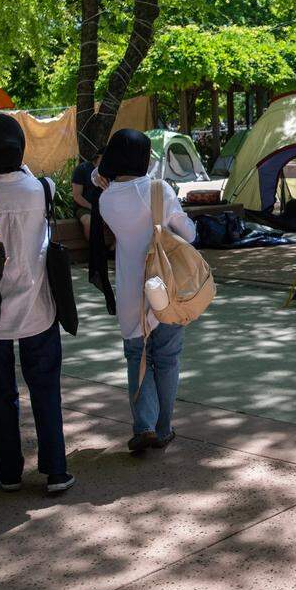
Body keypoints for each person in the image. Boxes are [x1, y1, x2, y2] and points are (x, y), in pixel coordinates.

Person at [0, 113, 74, 495]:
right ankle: (56, 471)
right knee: (46, 390)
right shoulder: (41, 189)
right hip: (39, 307)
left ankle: (9, 473)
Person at [89, 129, 197, 453]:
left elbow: (100, 176)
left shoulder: (107, 199)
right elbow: (187, 234)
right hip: (165, 288)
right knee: (166, 358)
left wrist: (99, 174)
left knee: (137, 357)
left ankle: (143, 425)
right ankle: (163, 428)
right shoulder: (158, 190)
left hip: (130, 291)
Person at [72, 147, 104, 238]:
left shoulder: (109, 171)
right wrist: (93, 207)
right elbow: (77, 196)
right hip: (84, 208)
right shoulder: (82, 169)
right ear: (98, 157)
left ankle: (112, 249)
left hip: (104, 207)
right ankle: (93, 249)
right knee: (89, 222)